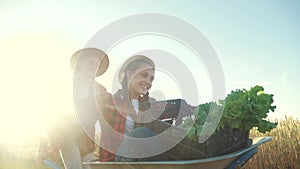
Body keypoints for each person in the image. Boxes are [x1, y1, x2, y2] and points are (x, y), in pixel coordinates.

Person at [36, 48, 110, 169]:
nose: (94, 66)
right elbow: (49, 117)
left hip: (87, 140)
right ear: (80, 63)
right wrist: (42, 147)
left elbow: (106, 120)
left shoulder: (101, 91)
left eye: (97, 64)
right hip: (67, 135)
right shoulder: (65, 86)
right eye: (90, 62)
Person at [97, 55, 158, 162]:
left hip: (143, 160)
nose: (148, 82)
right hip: (117, 161)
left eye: (151, 79)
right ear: (130, 74)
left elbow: (177, 108)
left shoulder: (151, 104)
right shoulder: (111, 101)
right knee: (142, 133)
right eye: (144, 75)